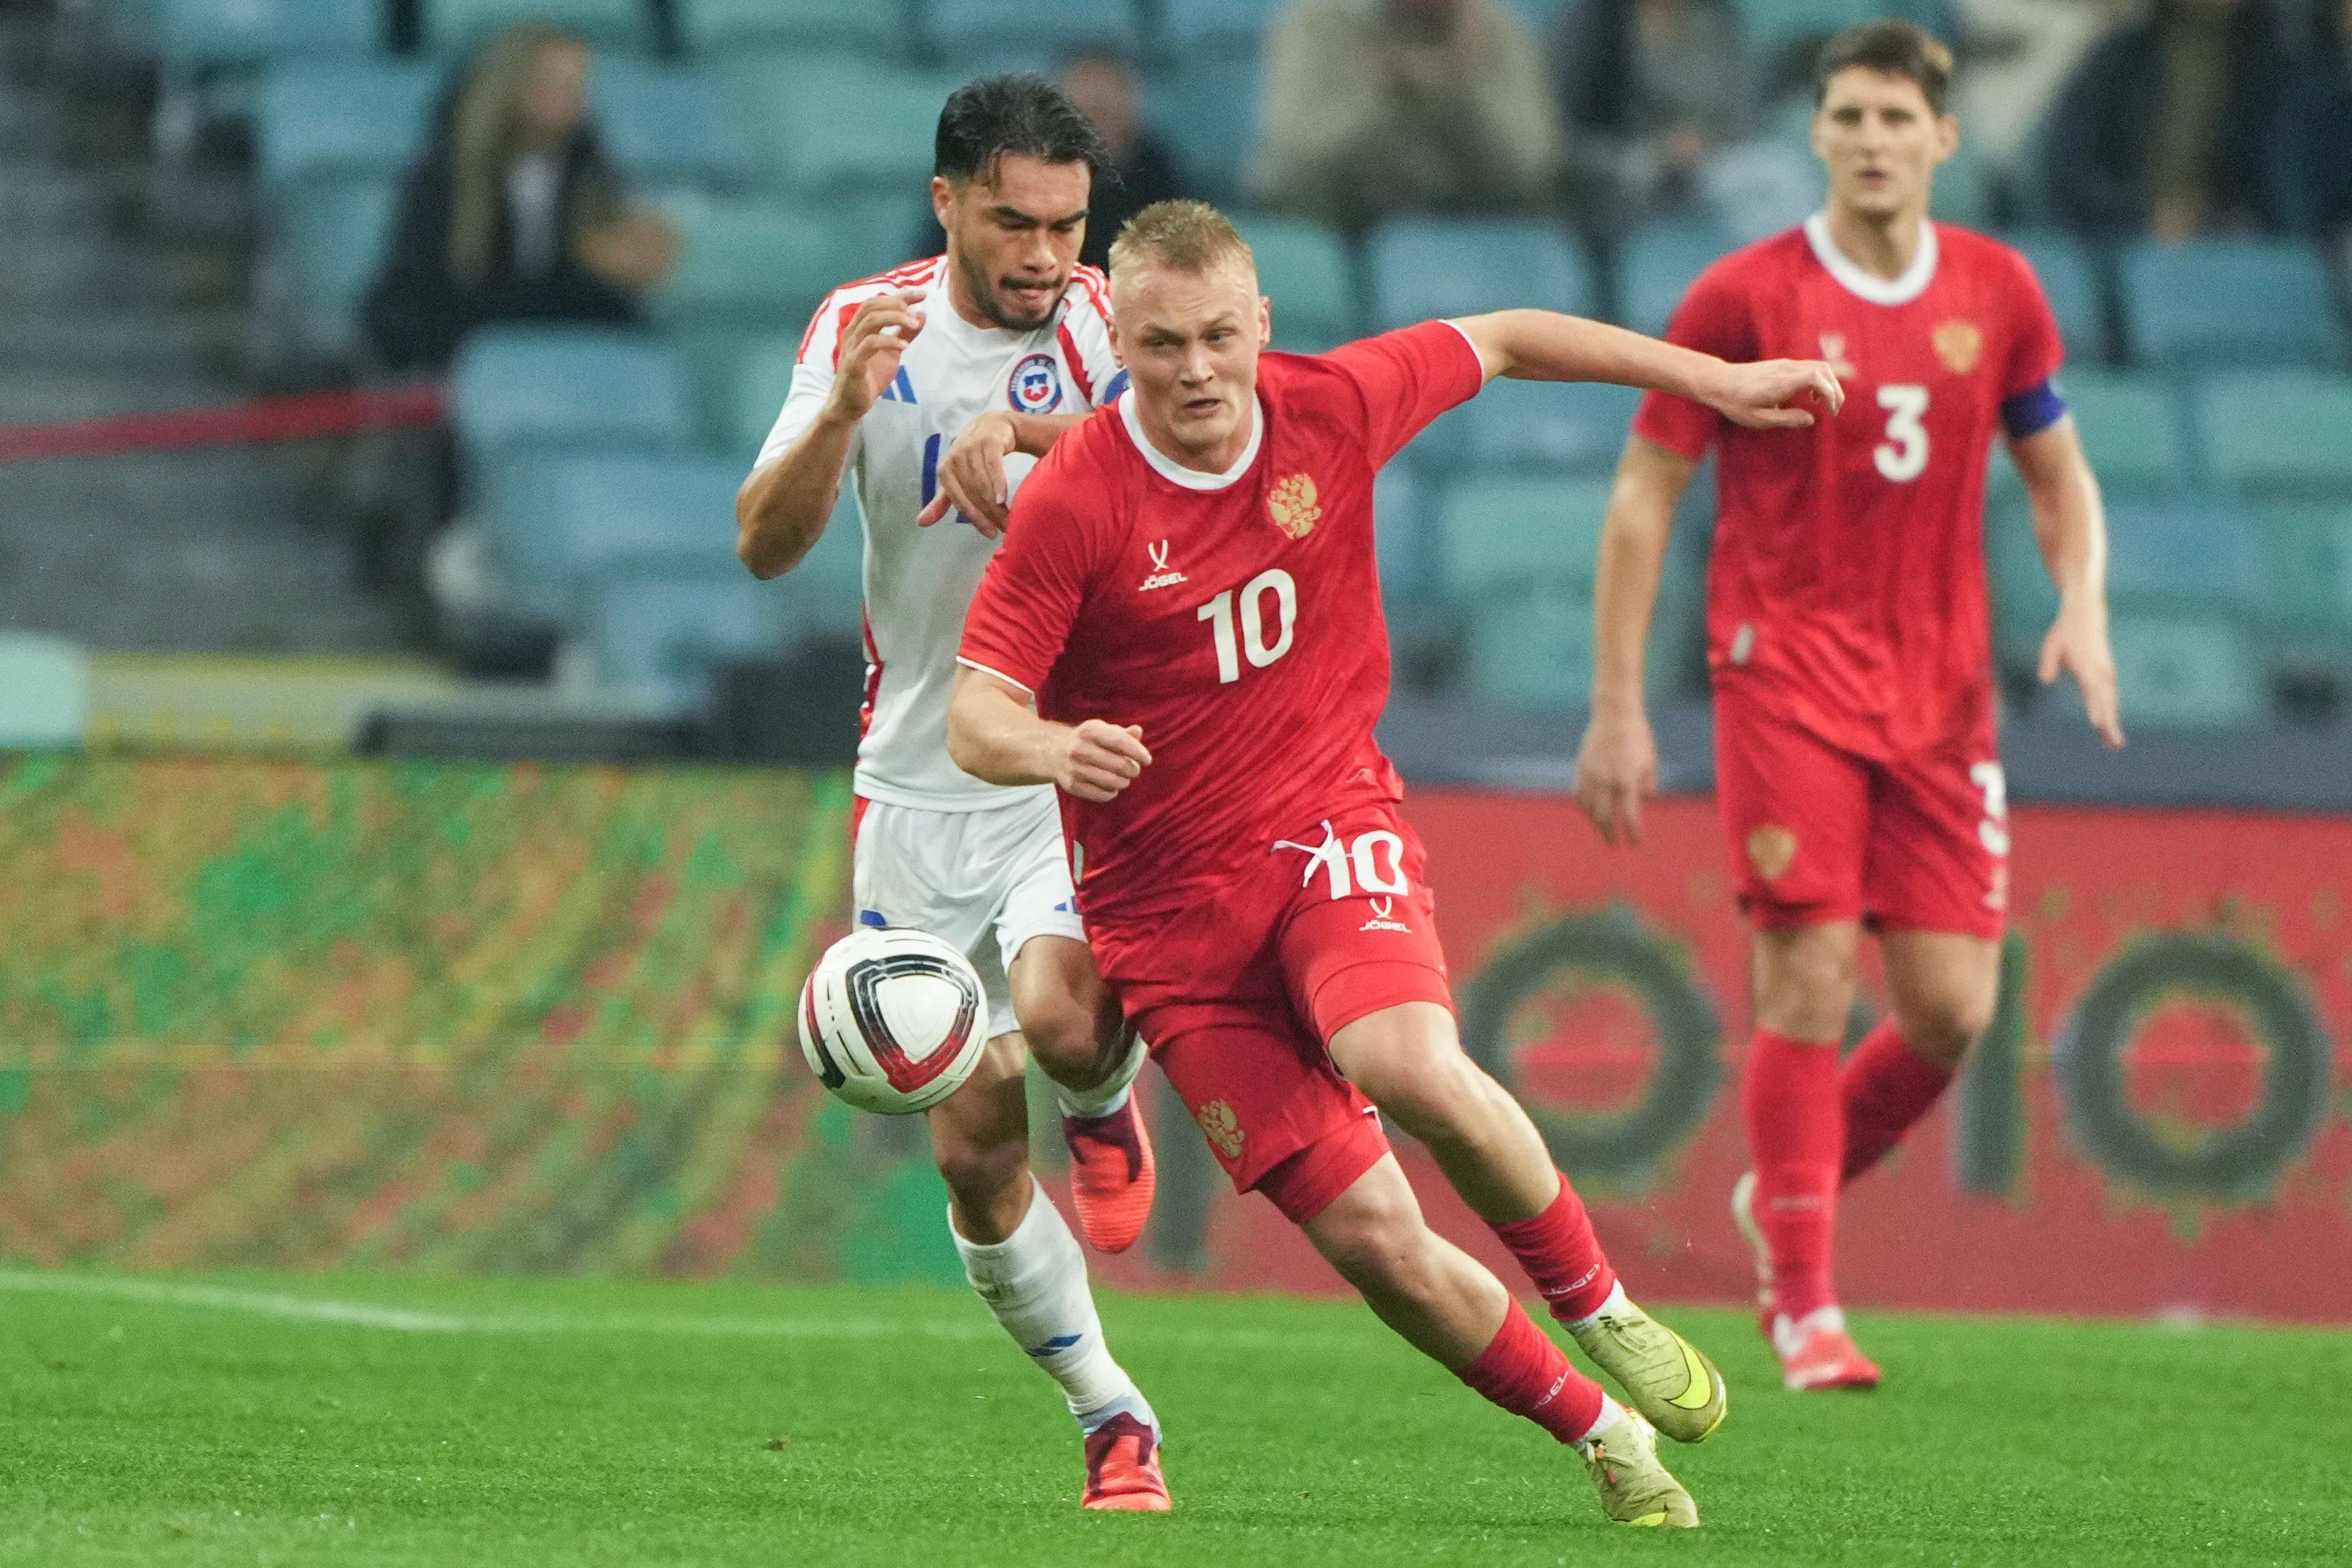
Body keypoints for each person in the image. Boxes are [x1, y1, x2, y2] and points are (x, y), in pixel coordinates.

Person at [947, 198, 1843, 1527]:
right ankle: (1603, 1436)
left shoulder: (1334, 402)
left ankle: (1602, 1307)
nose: (1192, 370)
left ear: (1260, 323)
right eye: (1155, 345)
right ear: (1115, 346)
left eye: (1213, 336)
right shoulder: (1078, 497)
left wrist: (1710, 379)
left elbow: (1512, 337)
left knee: (1405, 1058)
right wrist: (1051, 747)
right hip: (1166, 915)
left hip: (1322, 824)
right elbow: (975, 712)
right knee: (1371, 1240)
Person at [1572, 22, 2125, 1393]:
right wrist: (1614, 704)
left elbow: (2058, 474)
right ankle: (1803, 1299)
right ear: (1814, 134)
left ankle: (1790, 1186)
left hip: (1943, 696)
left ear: (1943, 138)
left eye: (1896, 118)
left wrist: (2085, 607)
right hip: (1785, 674)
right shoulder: (1742, 296)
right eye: (1848, 117)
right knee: (1808, 973)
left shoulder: (1999, 292)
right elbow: (1645, 492)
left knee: (1949, 1010)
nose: (1872, 140)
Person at [734, 77, 1166, 1512]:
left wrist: (1044, 451)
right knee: (976, 1153)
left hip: (1065, 749)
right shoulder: (867, 328)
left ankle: (1101, 1100)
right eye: (1013, 221)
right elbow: (763, 545)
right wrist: (840, 415)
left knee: (1059, 1012)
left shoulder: (1116, 324)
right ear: (945, 204)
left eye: (1066, 223)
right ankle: (1110, 1413)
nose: (1045, 254)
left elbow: (1204, 474)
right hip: (917, 782)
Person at [364, 24, 677, 371]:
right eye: (554, 83)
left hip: (560, 367)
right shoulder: (445, 180)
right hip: (458, 366)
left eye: (578, 85)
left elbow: (601, 301)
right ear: (512, 87)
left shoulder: (591, 181)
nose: (572, 98)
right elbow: (418, 300)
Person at [1251, 0, 1559, 228]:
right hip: (1339, 225)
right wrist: (1385, 91)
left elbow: (1532, 169)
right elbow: (1293, 163)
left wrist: (1459, 80)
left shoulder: (1490, 30)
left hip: (1471, 223)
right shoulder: (1323, 23)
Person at [2040, 0, 2282, 241]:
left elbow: (2275, 177)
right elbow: (2076, 162)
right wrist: (2141, 215)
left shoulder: (2268, 62)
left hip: (2230, 242)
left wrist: (2208, 216)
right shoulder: (2123, 54)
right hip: (2114, 239)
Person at [1550, 0, 1756, 229]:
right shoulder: (1590, 32)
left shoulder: (1719, 24)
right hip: (1620, 184)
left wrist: (1702, 143)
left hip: (1710, 172)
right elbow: (1564, 143)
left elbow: (1741, 119)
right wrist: (1656, 156)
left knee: (1770, 178)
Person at [1061, 49, 1186, 273]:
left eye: (1105, 105)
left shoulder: (1163, 178)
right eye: (1087, 109)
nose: (1098, 115)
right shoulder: (1047, 183)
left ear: (1131, 97)